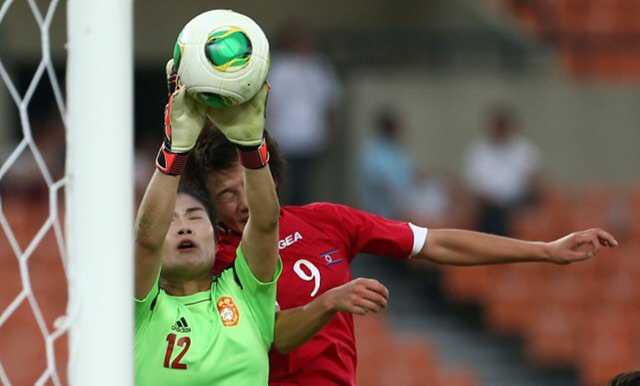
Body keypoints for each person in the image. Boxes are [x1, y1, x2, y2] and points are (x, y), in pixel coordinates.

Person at [183, 126, 618, 386]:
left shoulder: (326, 221)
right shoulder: (215, 260)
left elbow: (437, 243)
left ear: (272, 178)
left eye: (247, 186)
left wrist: (544, 249)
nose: (242, 202)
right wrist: (331, 301)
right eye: (225, 194)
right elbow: (273, 335)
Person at [134, 62, 282, 385]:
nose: (184, 227)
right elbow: (145, 238)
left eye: (195, 216)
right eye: (171, 222)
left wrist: (252, 145)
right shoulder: (139, 313)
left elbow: (266, 223)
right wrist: (176, 151)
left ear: (218, 239)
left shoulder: (248, 295)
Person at [266, 20, 342, 205]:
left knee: (305, 184)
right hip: (282, 135)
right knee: (280, 181)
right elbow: (269, 102)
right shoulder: (279, 66)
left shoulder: (319, 67)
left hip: (311, 135)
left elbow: (330, 101)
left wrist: (330, 130)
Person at [464, 107, 541, 236]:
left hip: (518, 204)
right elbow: (473, 183)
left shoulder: (523, 149)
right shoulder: (479, 150)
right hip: (489, 206)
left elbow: (534, 179)